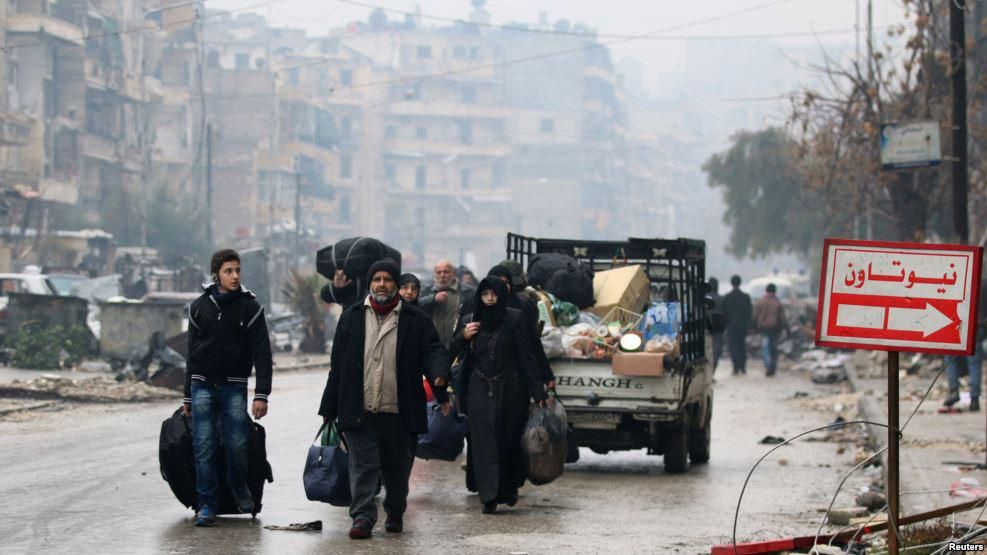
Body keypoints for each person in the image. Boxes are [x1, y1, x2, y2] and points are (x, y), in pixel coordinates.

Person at [318, 259, 452, 540]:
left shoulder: (416, 320)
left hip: (399, 412)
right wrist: (329, 408)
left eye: (387, 279)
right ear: (370, 283)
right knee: (363, 465)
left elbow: (433, 352)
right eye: (377, 279)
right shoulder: (352, 317)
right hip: (360, 409)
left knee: (397, 468)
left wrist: (440, 377)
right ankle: (363, 517)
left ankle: (394, 511)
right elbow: (338, 366)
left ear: (395, 284)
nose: (382, 284)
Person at [183, 248, 273, 527]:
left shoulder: (250, 308)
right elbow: (191, 353)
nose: (234, 276)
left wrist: (262, 394)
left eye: (237, 270)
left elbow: (262, 353)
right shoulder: (199, 307)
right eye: (228, 271)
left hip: (234, 387)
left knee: (237, 445)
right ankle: (206, 505)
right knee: (204, 447)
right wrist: (187, 394)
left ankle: (237, 484)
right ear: (216, 274)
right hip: (202, 387)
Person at [449, 276, 547, 514]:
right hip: (479, 389)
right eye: (485, 295)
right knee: (483, 443)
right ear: (480, 296)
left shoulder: (515, 318)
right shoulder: (470, 321)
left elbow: (526, 356)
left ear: (502, 295)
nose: (490, 299)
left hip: (511, 389)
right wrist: (463, 336)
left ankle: (507, 488)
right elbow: (451, 351)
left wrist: (538, 390)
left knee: (508, 440)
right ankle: (489, 495)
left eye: (494, 294)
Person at [488, 264, 555, 389]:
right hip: (485, 380)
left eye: (506, 282)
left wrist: (546, 375)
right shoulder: (477, 307)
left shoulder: (522, 305)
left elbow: (533, 343)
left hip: (516, 376)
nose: (502, 287)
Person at [943, 275, 987, 412]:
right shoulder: (983, 282)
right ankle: (974, 400)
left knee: (951, 357)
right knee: (974, 363)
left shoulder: (958, 278)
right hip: (977, 327)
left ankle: (954, 391)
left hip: (957, 325)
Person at [420, 260, 476, 348]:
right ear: (434, 275)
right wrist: (432, 299)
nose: (442, 275)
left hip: (458, 343)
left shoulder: (468, 292)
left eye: (446, 272)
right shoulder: (426, 291)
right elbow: (416, 306)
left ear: (453, 273)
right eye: (439, 272)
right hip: (432, 344)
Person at [752, 283, 787, 377]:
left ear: (766, 290)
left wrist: (753, 328)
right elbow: (782, 317)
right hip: (775, 329)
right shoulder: (777, 302)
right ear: (775, 291)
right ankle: (772, 367)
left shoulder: (760, 301)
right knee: (773, 349)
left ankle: (768, 367)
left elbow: (755, 316)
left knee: (765, 348)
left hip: (763, 329)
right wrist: (785, 328)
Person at [722, 275, 752, 375]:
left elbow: (724, 313)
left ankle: (735, 367)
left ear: (731, 283)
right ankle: (743, 367)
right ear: (740, 283)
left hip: (731, 326)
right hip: (742, 326)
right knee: (742, 346)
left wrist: (726, 325)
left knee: (733, 347)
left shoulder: (727, 297)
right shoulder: (745, 297)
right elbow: (749, 312)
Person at [707, 277, 725, 372]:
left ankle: (709, 372)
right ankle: (712, 371)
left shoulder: (702, 298)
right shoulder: (722, 299)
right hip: (718, 328)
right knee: (717, 351)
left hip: (705, 329)